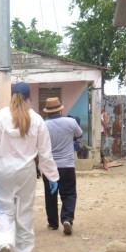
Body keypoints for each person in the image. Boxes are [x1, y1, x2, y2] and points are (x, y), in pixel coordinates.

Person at [0, 82, 60, 252]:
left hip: (1, 172)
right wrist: (52, 176)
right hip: (26, 173)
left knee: (4, 210)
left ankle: (4, 242)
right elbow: (45, 154)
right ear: (29, 99)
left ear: (12, 96)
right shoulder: (37, 119)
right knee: (24, 211)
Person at [42, 97, 83, 236]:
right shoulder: (70, 122)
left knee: (50, 195)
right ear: (60, 109)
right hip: (67, 165)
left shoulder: (44, 125)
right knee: (69, 193)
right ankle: (67, 219)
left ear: (47, 111)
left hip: (49, 166)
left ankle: (53, 224)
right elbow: (79, 134)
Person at [100, 106, 110, 170]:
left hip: (102, 133)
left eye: (101, 107)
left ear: (103, 108)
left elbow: (106, 125)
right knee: (98, 148)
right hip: (97, 133)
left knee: (101, 148)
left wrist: (100, 119)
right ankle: (102, 163)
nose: (100, 108)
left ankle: (105, 163)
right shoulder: (97, 114)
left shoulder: (104, 115)